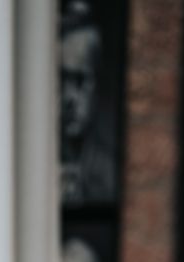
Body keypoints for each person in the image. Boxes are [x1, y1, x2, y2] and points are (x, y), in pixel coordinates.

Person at [59, 6, 116, 204]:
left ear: (97, 86)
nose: (67, 97)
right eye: (60, 81)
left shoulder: (110, 172)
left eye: (80, 80)